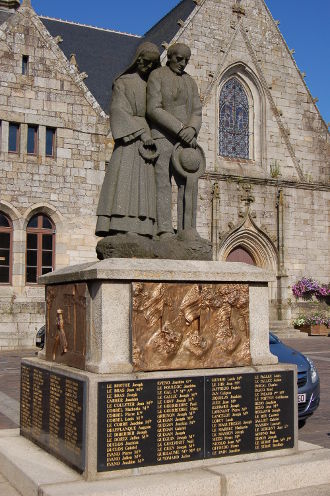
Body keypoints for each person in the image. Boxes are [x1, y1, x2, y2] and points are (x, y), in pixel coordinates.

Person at [95, 42, 160, 238]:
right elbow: (118, 110)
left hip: (148, 142)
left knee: (144, 184)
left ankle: (146, 227)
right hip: (130, 140)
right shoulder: (123, 82)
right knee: (125, 181)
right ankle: (120, 225)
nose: (147, 67)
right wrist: (142, 133)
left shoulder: (153, 85)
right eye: (145, 62)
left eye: (152, 64)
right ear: (138, 59)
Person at [147, 43, 202, 239]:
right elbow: (153, 108)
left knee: (188, 182)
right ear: (169, 56)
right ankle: (164, 229)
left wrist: (193, 129)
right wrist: (180, 129)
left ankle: (187, 230)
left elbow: (197, 111)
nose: (182, 63)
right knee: (162, 180)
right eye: (179, 59)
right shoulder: (157, 76)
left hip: (186, 140)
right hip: (163, 135)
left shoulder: (190, 82)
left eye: (186, 60)